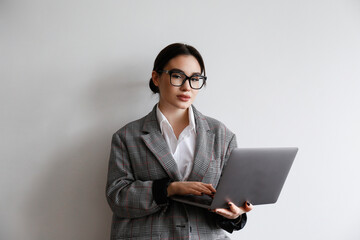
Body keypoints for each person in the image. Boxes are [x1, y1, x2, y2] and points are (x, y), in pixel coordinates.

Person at [105, 43, 253, 239]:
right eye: (177, 76)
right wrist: (168, 189)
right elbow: (118, 197)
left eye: (195, 79)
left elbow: (230, 198)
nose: (187, 87)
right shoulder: (127, 137)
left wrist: (235, 214)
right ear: (156, 78)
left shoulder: (222, 135)